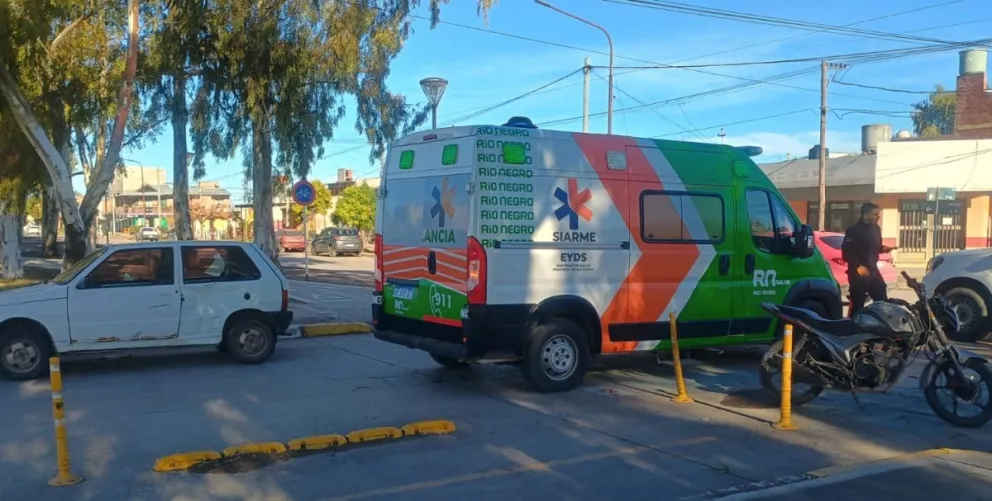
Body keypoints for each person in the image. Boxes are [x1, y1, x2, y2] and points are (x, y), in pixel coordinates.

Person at [842, 202, 896, 316]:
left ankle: (880, 327)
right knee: (857, 304)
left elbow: (873, 248)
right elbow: (846, 252)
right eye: (875, 214)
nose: (878, 216)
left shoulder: (876, 229)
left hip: (873, 271)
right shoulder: (853, 230)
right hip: (859, 273)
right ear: (865, 215)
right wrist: (857, 266)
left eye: (878, 214)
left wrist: (883, 249)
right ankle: (853, 328)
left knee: (882, 299)